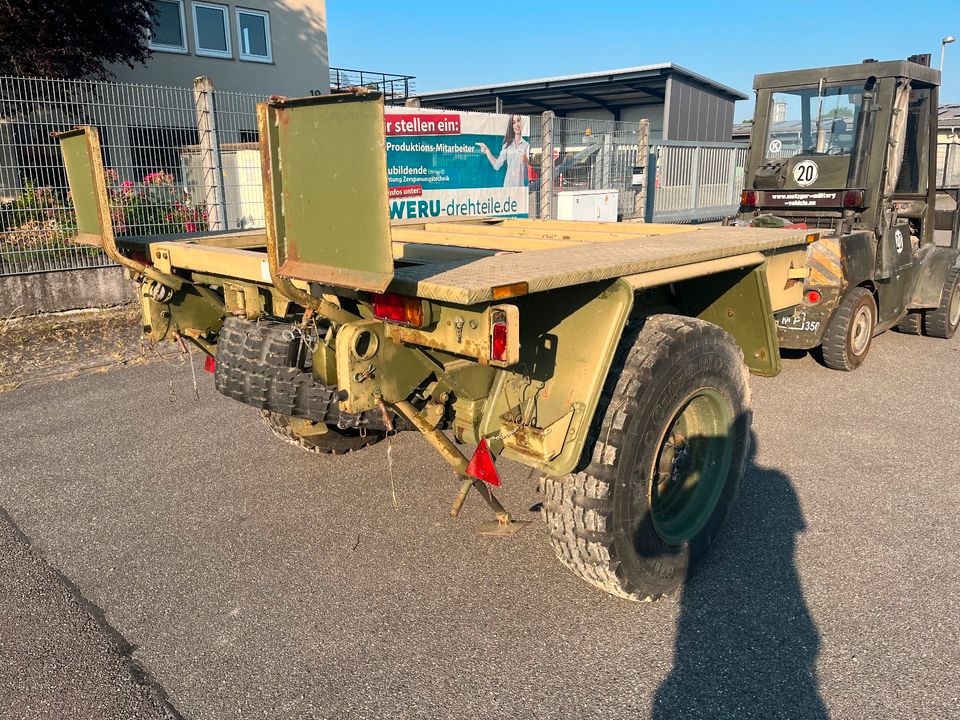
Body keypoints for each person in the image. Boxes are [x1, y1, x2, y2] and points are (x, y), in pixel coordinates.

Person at [476, 114, 529, 187]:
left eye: (518, 121)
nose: (517, 124)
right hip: (508, 185)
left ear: (521, 122)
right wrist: (487, 151)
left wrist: (526, 160)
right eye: (513, 122)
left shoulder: (526, 145)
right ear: (511, 126)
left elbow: (529, 166)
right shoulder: (507, 146)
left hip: (521, 186)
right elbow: (496, 165)